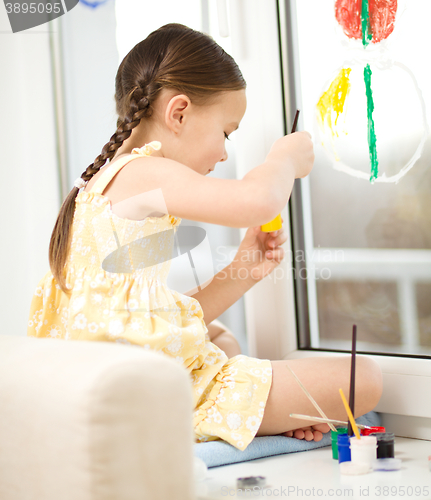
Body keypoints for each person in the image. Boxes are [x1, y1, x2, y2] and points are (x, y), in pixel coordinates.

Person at [27, 23, 382, 450]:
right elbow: (256, 201)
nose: (225, 151)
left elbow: (149, 317)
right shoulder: (142, 174)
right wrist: (283, 160)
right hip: (142, 397)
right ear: (178, 113)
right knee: (364, 379)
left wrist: (243, 270)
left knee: (220, 337)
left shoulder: (101, 187)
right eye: (227, 132)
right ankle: (236, 413)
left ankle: (252, 412)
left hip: (109, 381)